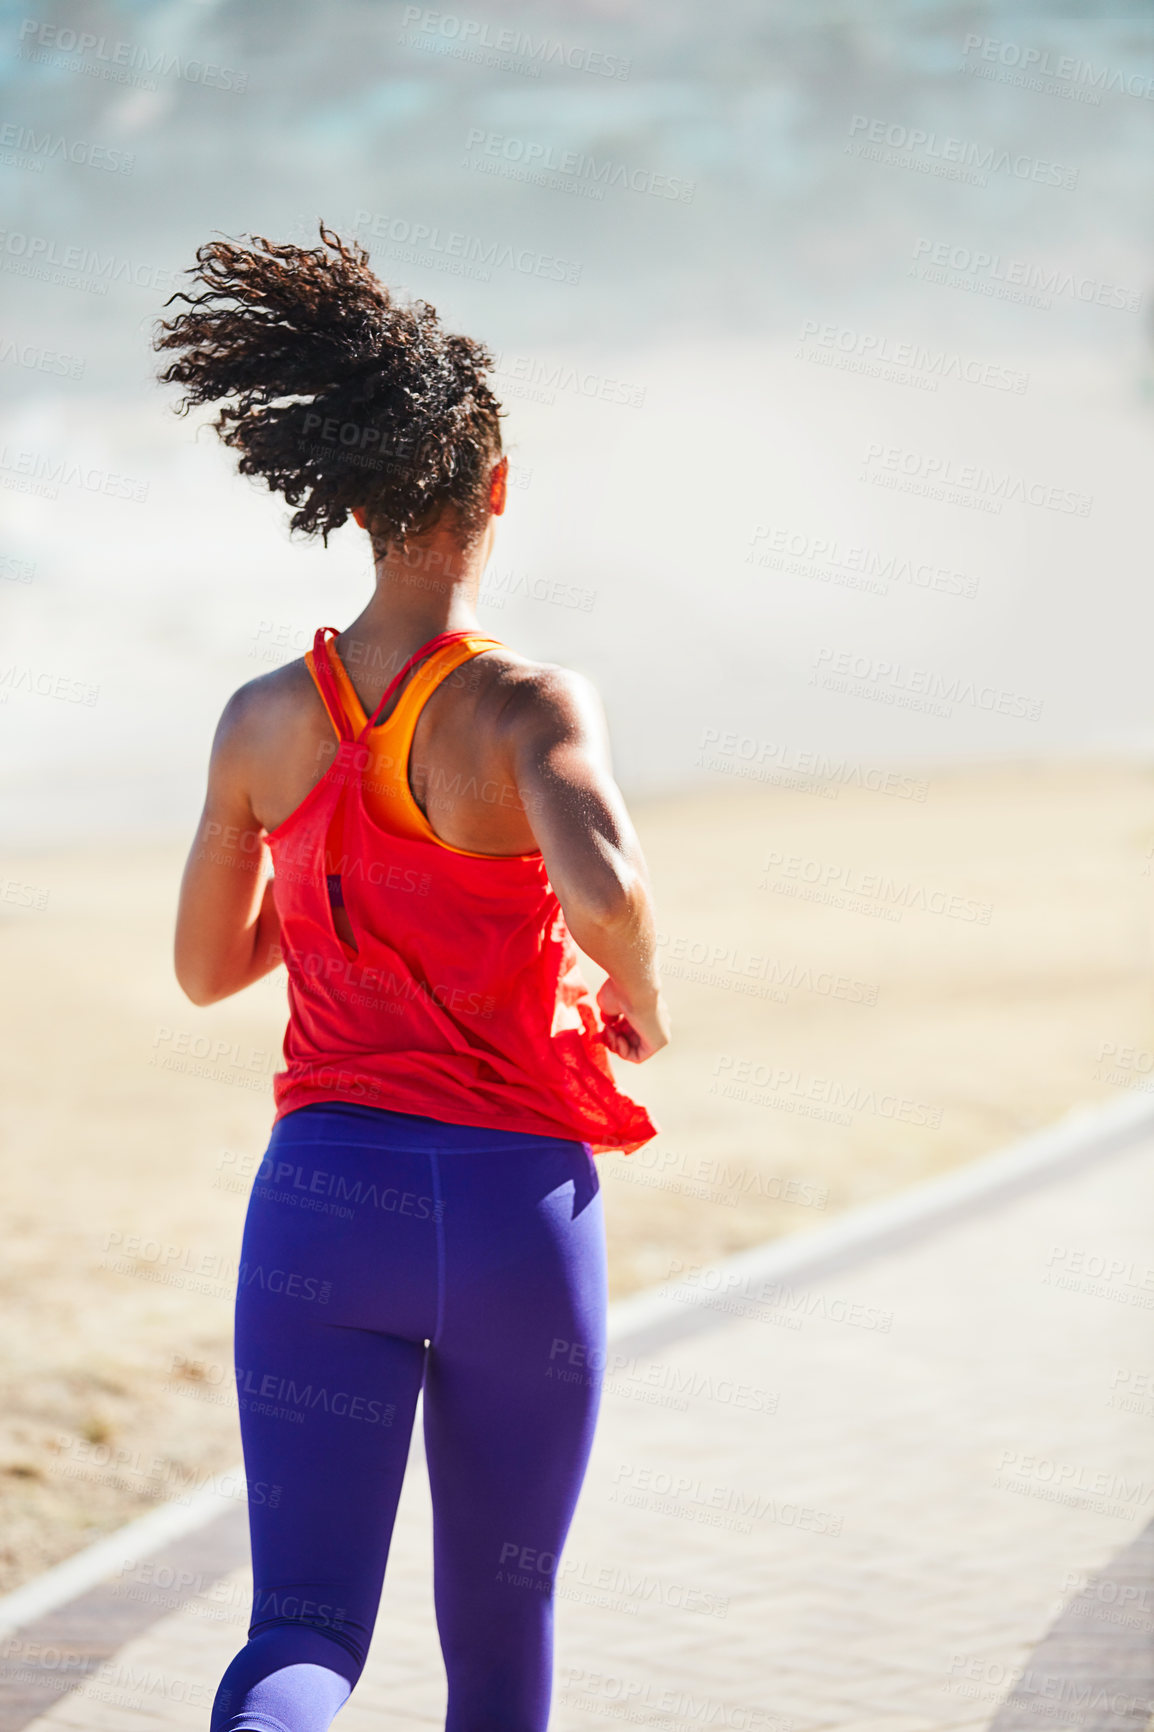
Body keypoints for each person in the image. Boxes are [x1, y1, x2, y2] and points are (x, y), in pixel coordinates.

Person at [155, 224, 670, 1732]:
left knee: (302, 1631)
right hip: (516, 1206)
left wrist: (325, 895)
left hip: (322, 1197)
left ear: (354, 498)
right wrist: (635, 990)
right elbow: (611, 889)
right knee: (499, 1629)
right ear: (491, 490)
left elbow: (204, 971)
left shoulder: (259, 720)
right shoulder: (523, 708)